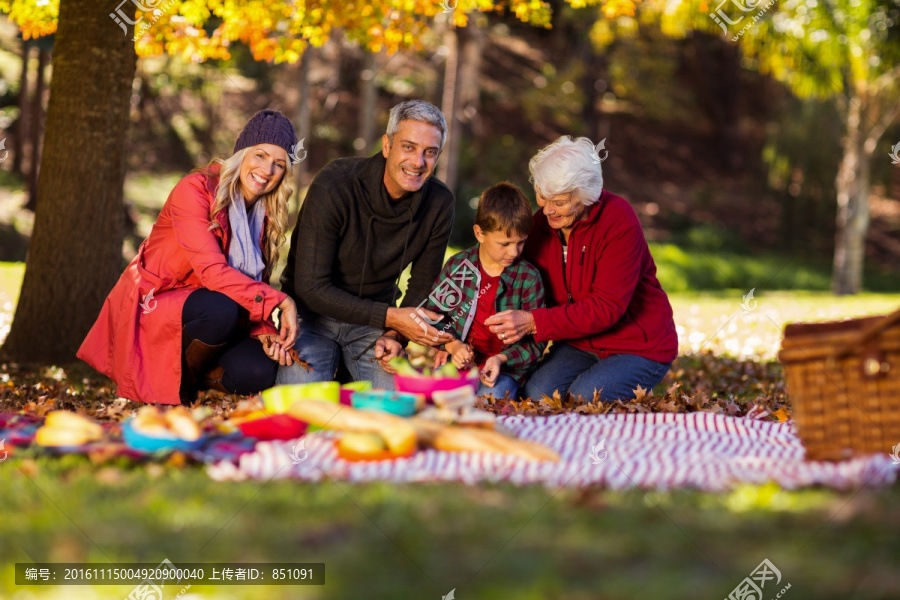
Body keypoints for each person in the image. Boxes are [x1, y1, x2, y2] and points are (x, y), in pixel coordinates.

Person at [78, 110, 300, 406]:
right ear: (242, 153)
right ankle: (171, 389)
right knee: (220, 308)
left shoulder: (263, 215)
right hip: (158, 304)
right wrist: (280, 300)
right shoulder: (195, 189)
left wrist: (264, 330)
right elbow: (211, 272)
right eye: (260, 155)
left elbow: (252, 285)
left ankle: (190, 377)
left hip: (216, 315)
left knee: (259, 371)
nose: (267, 169)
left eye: (279, 164)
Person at [275, 99, 455, 389]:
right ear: (387, 146)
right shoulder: (335, 185)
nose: (418, 162)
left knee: (393, 408)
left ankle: (351, 371)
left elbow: (423, 282)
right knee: (302, 408)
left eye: (430, 152)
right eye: (408, 147)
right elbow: (310, 286)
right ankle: (337, 369)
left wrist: (396, 335)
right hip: (312, 317)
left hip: (373, 325)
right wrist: (393, 317)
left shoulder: (439, 203)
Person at [484, 136, 678, 402]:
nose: (548, 210)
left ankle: (633, 378)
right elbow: (512, 279)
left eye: (560, 202)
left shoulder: (618, 220)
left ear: (586, 195)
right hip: (578, 341)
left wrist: (533, 322)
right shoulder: (540, 225)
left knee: (585, 396)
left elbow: (607, 307)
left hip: (637, 344)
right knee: (539, 395)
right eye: (543, 196)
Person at [428, 182, 545, 399]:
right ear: (479, 233)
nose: (514, 252)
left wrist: (502, 359)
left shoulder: (528, 277)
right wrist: (452, 346)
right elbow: (433, 316)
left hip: (505, 370)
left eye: (521, 243)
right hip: (456, 364)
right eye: (505, 243)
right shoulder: (457, 267)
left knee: (490, 400)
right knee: (435, 398)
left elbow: (536, 343)